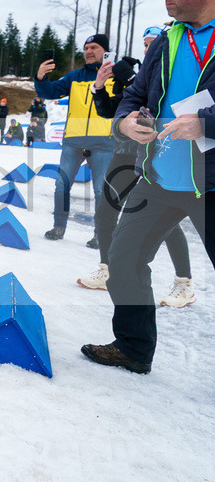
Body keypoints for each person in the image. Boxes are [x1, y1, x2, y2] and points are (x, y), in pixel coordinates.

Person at [82, 0, 215, 374]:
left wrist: (207, 124)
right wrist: (124, 122)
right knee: (122, 261)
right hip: (158, 180)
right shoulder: (166, 41)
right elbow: (135, 95)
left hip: (211, 184)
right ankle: (133, 349)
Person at [77, 25, 195, 308]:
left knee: (167, 222)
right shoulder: (135, 76)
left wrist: (129, 78)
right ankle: (107, 269)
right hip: (125, 153)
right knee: (106, 210)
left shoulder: (159, 72)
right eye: (145, 43)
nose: (148, 47)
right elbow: (111, 111)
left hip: (154, 155)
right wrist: (99, 88)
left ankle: (184, 282)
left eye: (152, 42)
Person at [33, 33, 116, 242]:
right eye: (86, 48)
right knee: (61, 185)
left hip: (104, 142)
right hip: (73, 140)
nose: (89, 51)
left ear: (105, 51)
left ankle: (101, 234)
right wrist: (41, 77)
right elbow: (50, 92)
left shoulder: (115, 76)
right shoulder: (74, 76)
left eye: (94, 47)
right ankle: (58, 227)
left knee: (101, 191)